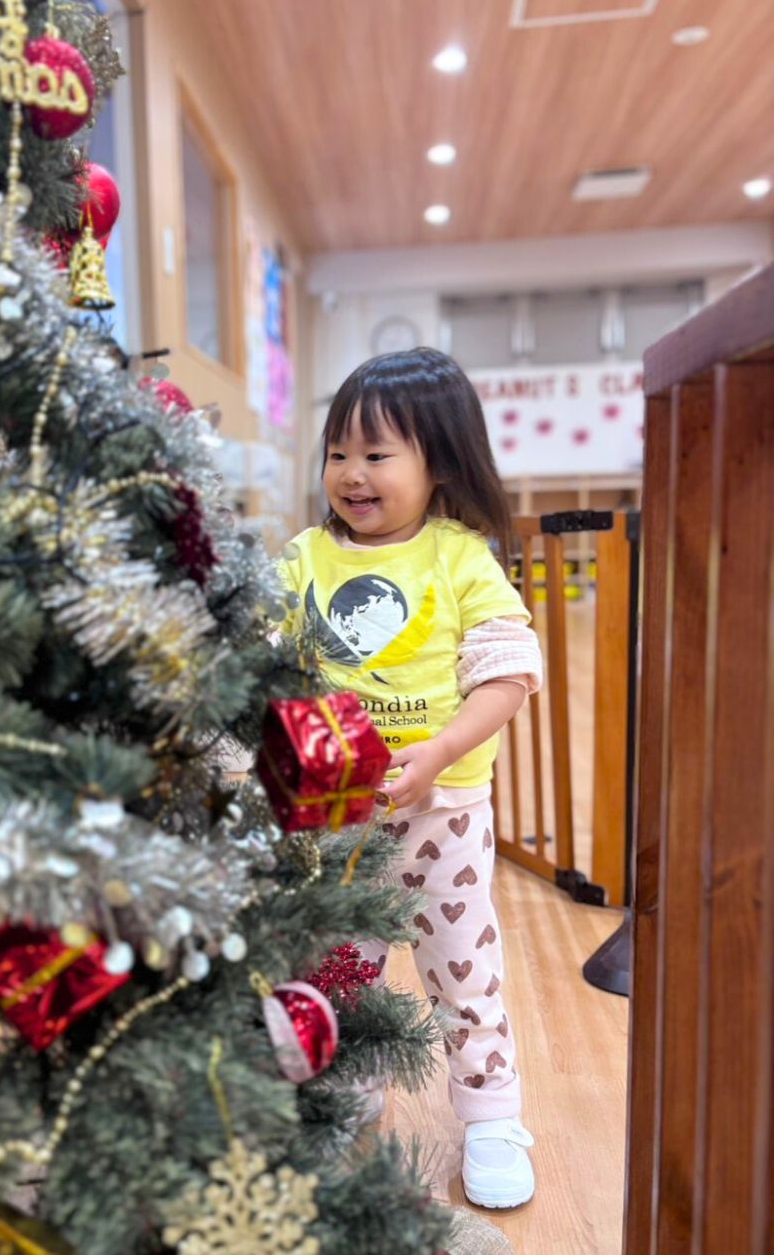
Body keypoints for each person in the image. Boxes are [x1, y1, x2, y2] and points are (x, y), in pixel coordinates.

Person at [276, 349, 543, 1210]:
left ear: (440, 465)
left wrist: (437, 753)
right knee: (338, 963)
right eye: (338, 453)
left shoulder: (459, 557)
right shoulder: (304, 558)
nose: (351, 473)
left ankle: (492, 1114)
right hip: (335, 819)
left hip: (444, 816)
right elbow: (260, 658)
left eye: (377, 454)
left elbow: (508, 675)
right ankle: (346, 1084)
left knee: (463, 968)